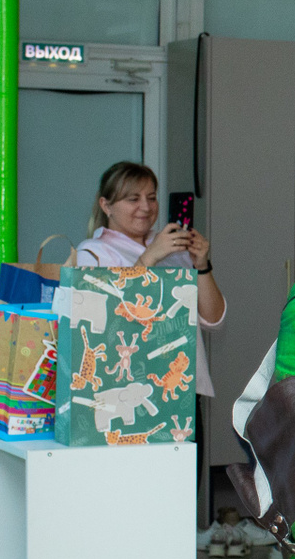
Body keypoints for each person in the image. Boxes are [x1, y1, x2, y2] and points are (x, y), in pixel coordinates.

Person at [73, 161, 226, 398]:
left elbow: (214, 320)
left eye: (152, 198)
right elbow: (110, 321)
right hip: (125, 386)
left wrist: (202, 266)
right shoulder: (93, 252)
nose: (145, 207)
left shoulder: (171, 246)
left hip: (181, 385)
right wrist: (150, 256)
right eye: (133, 199)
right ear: (106, 205)